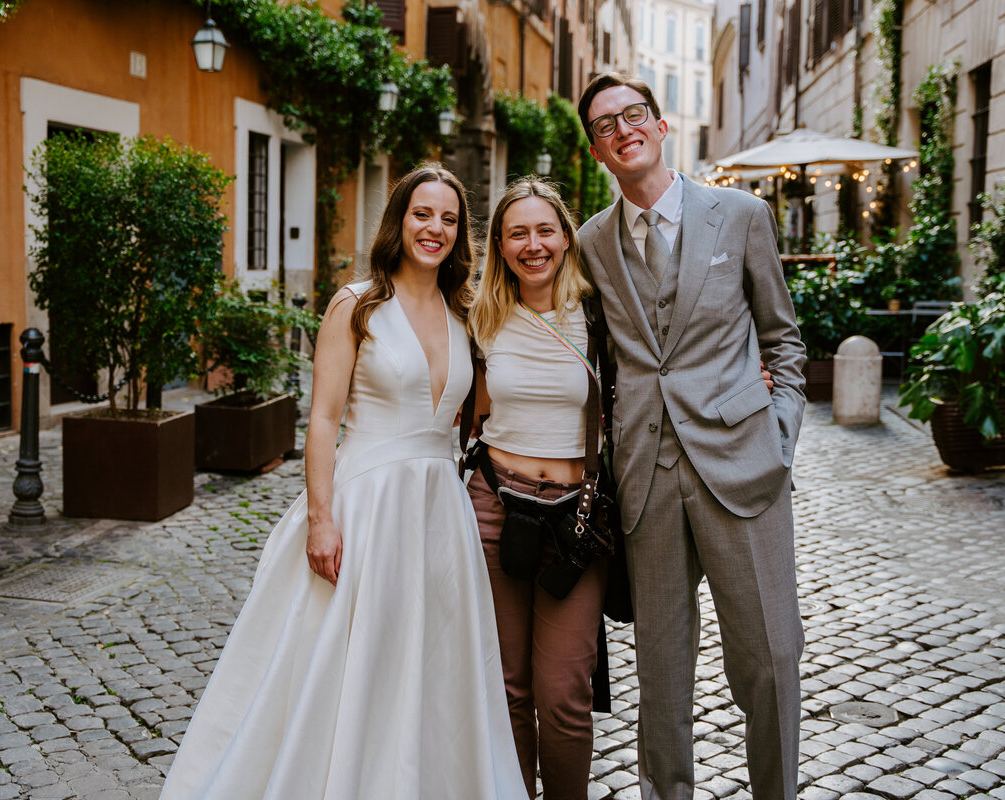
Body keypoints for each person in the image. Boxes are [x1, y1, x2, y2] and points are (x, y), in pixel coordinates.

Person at [158, 164, 529, 800]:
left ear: (460, 233)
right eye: (421, 214)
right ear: (399, 221)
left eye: (447, 218)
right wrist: (321, 519)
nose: (433, 228)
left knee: (430, 666)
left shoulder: (467, 312)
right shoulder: (356, 303)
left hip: (440, 514)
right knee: (342, 664)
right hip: (366, 507)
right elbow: (324, 420)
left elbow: (493, 407)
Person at [575, 72, 807, 800]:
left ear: (661, 124)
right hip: (647, 476)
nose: (622, 130)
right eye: (605, 126)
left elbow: (786, 343)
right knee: (661, 678)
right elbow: (600, 360)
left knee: (770, 659)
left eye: (633, 114)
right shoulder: (590, 243)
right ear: (596, 152)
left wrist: (778, 437)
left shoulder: (739, 215)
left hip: (743, 464)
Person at [464, 177, 606, 800]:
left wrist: (748, 372)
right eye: (517, 233)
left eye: (544, 229)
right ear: (499, 244)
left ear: (566, 237)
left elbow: (673, 356)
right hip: (493, 507)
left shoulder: (601, 314)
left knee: (565, 697)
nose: (533, 244)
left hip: (575, 521)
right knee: (508, 688)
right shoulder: (480, 317)